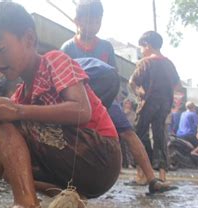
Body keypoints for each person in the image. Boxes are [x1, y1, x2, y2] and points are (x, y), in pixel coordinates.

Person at [0, 2, 121, 208]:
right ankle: (70, 200)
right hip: (78, 168)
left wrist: (17, 111)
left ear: (29, 39)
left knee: (1, 113)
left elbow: (81, 110)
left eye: (0, 50)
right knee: (13, 170)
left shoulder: (54, 61)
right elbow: (2, 149)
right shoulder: (20, 94)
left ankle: (27, 206)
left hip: (100, 154)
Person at [61, 0, 166, 190]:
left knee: (128, 133)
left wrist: (108, 102)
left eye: (97, 21)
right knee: (73, 138)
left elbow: (113, 77)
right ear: (77, 21)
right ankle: (71, 184)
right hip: (79, 101)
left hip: (106, 101)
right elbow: (61, 80)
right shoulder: (67, 48)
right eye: (88, 21)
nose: (93, 25)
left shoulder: (106, 47)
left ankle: (152, 179)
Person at [129, 31, 182, 182]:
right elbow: (177, 86)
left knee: (139, 134)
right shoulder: (168, 63)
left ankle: (141, 174)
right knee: (160, 136)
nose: (141, 50)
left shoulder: (145, 62)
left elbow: (132, 82)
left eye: (141, 47)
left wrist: (139, 91)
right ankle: (162, 175)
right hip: (164, 105)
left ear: (147, 45)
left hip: (148, 103)